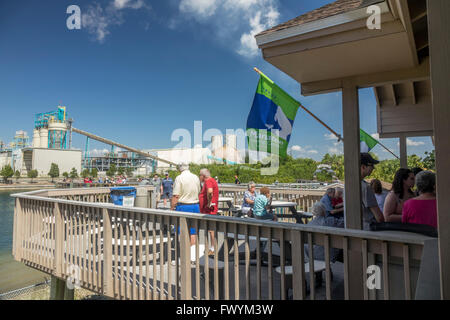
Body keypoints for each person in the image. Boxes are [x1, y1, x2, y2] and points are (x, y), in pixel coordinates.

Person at [171, 164, 201, 248]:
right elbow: (199, 190)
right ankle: (192, 254)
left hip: (183, 206)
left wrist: (172, 208)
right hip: (195, 205)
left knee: (182, 231)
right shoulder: (195, 177)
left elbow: (176, 195)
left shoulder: (179, 178)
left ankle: (184, 253)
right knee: (193, 232)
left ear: (180, 169)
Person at [360, 153, 384, 230]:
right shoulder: (366, 187)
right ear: (363, 167)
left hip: (354, 230)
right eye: (372, 166)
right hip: (369, 231)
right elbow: (379, 218)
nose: (373, 168)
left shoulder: (348, 186)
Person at [199, 168, 219, 255]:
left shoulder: (208, 181)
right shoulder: (212, 180)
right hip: (209, 209)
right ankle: (212, 247)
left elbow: (210, 191)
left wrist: (209, 202)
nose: (199, 177)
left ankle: (213, 248)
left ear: (203, 176)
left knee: (211, 229)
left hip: (209, 210)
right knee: (211, 229)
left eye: (200, 175)